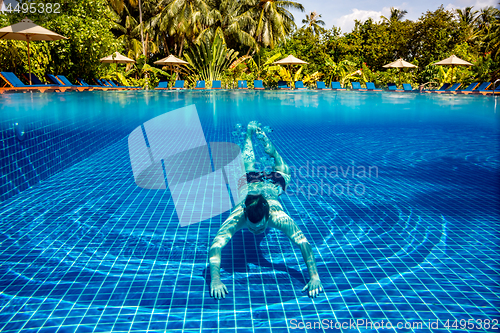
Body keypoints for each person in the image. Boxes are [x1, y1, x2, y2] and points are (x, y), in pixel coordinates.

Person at [209, 121, 322, 299]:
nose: (256, 231)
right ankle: (248, 135)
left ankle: (271, 148)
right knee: (248, 168)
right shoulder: (238, 216)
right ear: (245, 215)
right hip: (250, 185)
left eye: (260, 228)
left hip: (272, 186)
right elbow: (216, 246)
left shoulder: (278, 217)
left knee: (284, 172)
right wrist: (215, 280)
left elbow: (303, 243)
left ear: (268, 216)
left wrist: (314, 276)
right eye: (253, 228)